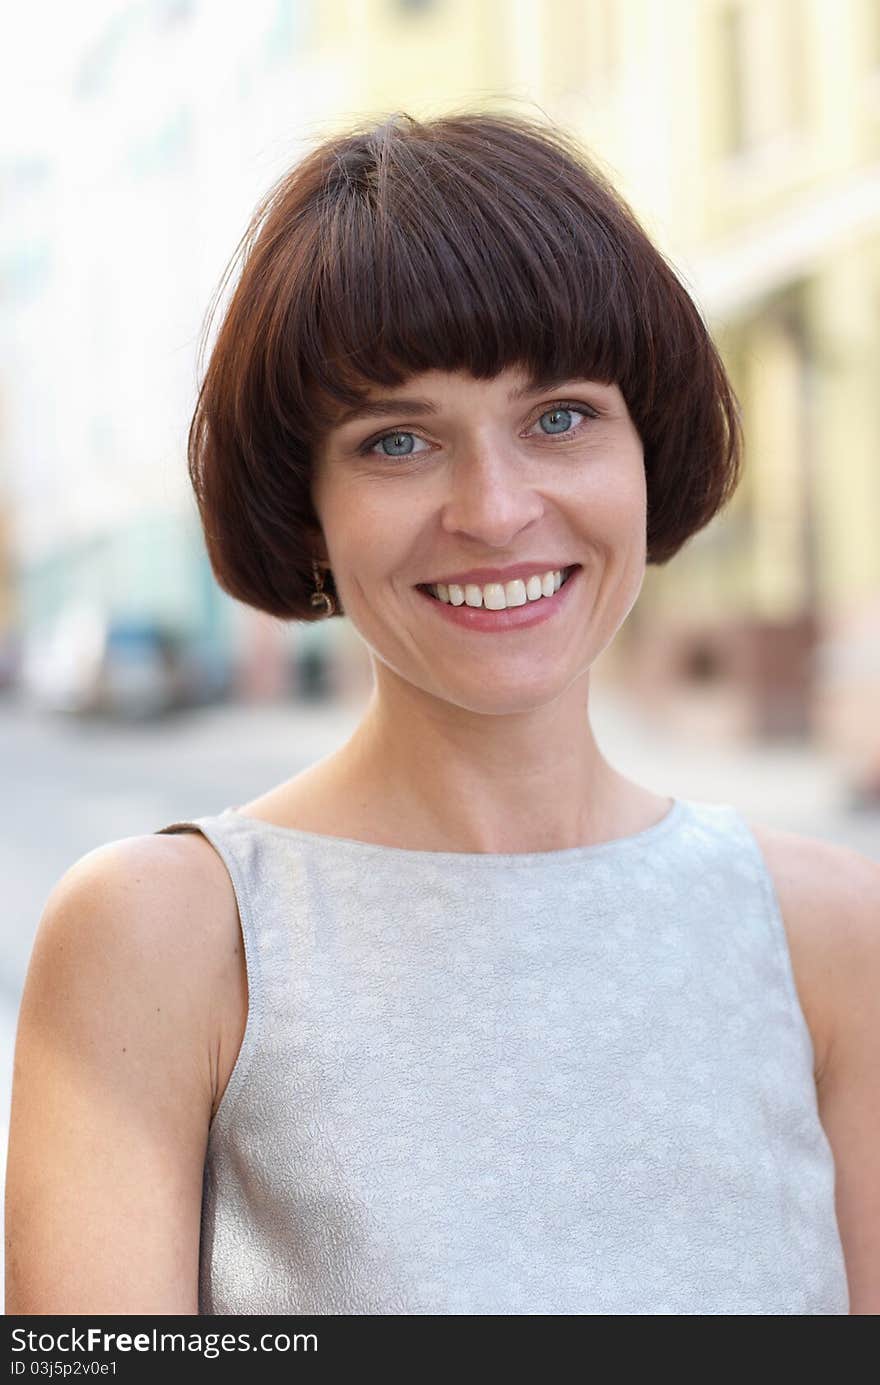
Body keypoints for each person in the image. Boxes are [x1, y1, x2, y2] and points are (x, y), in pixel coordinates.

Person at [6, 110, 878, 1317]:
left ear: (645, 446)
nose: (495, 507)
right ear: (305, 508)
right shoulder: (162, 938)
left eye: (559, 416)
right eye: (397, 440)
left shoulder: (833, 934)